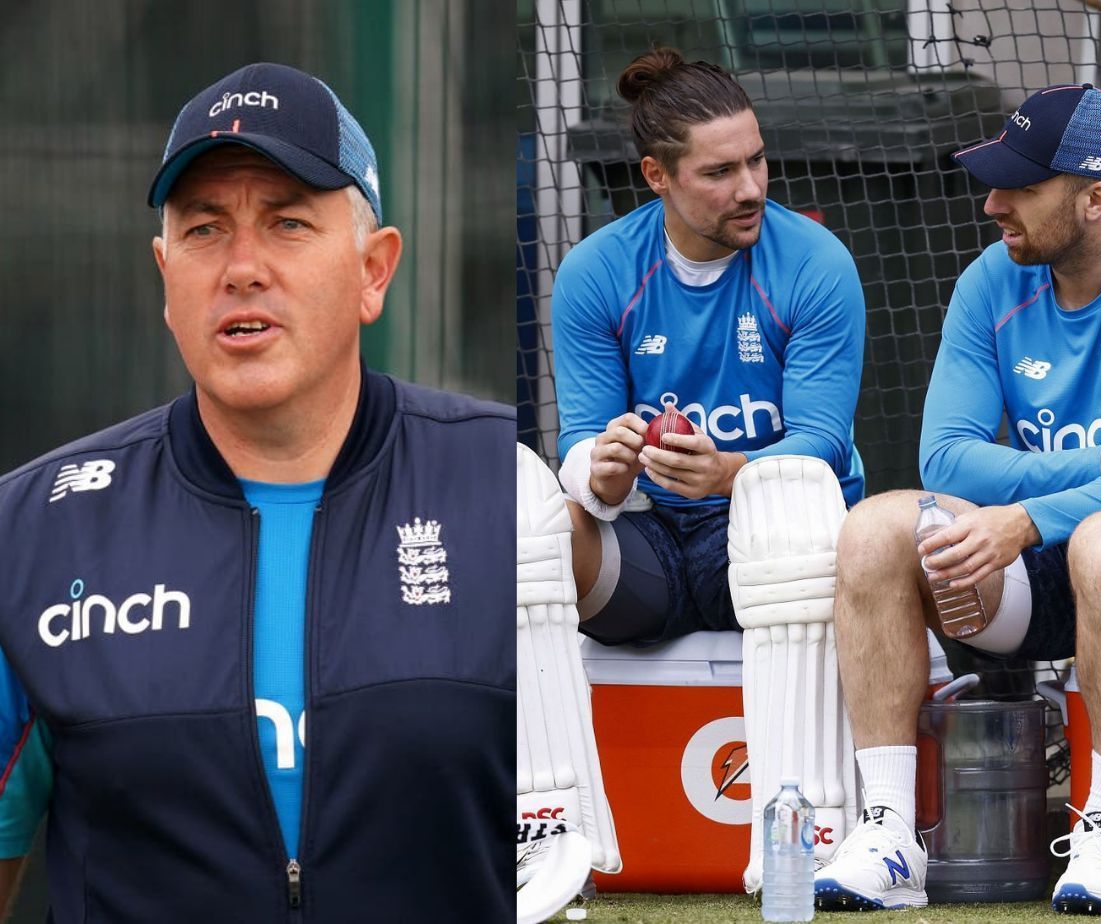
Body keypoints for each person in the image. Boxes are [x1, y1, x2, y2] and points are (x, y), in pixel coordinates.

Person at [0, 63, 513, 921]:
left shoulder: (502, 486)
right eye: (204, 229)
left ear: (373, 271)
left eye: (287, 223)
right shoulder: (30, 537)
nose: (242, 267)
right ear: (165, 276)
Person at [815, 83, 1101, 914]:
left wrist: (1031, 516)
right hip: (1024, 566)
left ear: (1096, 197)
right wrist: (1094, 458)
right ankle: (890, 832)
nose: (992, 204)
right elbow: (946, 458)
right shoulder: (989, 282)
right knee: (871, 530)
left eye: (1020, 188)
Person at [520, 46, 868, 894]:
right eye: (720, 171)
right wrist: (598, 478)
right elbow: (590, 447)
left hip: (771, 550)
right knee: (528, 522)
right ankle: (549, 828)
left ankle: (805, 835)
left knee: (789, 504)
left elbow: (821, 444)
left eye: (756, 160)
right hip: (647, 550)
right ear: (655, 176)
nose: (750, 187)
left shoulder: (816, 264)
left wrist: (730, 474)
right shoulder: (599, 270)